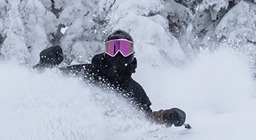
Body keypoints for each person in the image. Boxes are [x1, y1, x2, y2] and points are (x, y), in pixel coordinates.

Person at [36, 30, 186, 127]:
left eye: (125, 49)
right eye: (113, 49)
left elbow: (146, 119)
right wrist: (44, 65)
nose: (119, 54)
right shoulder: (86, 73)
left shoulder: (135, 90)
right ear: (106, 52)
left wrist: (165, 116)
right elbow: (45, 81)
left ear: (132, 53)